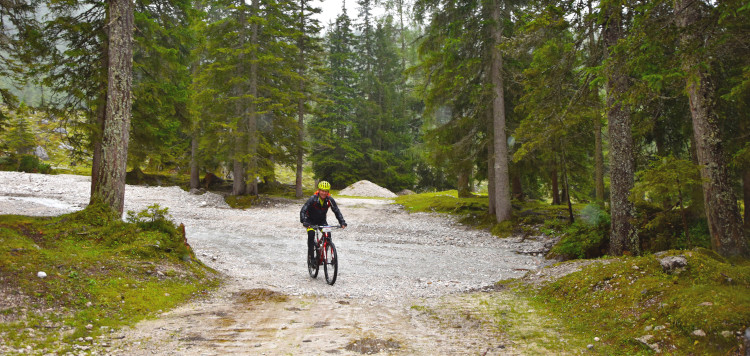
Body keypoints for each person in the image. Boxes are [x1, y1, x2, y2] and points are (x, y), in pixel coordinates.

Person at [300, 181, 347, 263]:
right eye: (322, 191)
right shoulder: (312, 199)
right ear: (319, 190)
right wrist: (304, 221)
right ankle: (311, 257)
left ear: (328, 192)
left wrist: (342, 222)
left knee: (328, 235)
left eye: (326, 191)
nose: (324, 193)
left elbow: (336, 211)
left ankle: (323, 251)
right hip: (310, 221)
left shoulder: (330, 200)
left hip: (322, 221)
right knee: (311, 235)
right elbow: (303, 210)